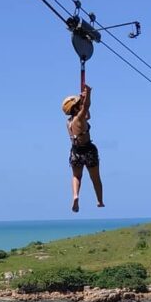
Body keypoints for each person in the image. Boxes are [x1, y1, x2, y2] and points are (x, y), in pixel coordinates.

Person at [62, 84, 104, 213]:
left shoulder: (69, 122)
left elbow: (87, 115)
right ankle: (99, 201)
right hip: (88, 150)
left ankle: (75, 195)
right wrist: (89, 93)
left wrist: (82, 98)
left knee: (76, 176)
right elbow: (86, 108)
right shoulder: (80, 118)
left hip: (76, 152)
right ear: (76, 108)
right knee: (95, 178)